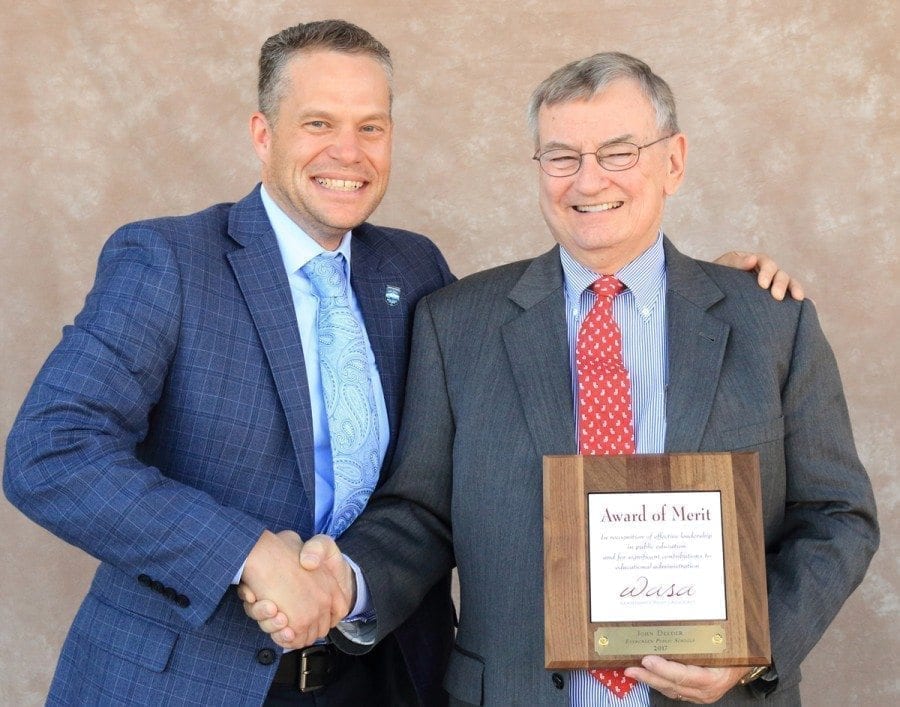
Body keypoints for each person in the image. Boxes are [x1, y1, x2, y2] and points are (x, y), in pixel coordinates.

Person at [5, 19, 799, 705]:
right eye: (318, 123)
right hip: (189, 679)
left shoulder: (412, 271)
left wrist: (698, 289)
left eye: (371, 127)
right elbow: (49, 452)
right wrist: (247, 554)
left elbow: (467, 433)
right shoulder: (170, 261)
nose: (347, 153)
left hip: (381, 674)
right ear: (263, 134)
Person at [242, 53, 879, 705]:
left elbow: (837, 516)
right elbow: (421, 514)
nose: (588, 179)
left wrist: (755, 648)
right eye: (562, 156)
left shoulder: (772, 321)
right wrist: (344, 579)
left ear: (674, 161)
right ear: (539, 169)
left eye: (619, 151)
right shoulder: (457, 324)